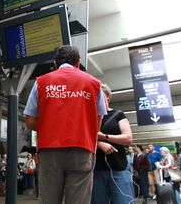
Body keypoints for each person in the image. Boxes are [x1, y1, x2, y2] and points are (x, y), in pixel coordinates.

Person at [24, 45, 107, 204]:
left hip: (49, 151)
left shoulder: (41, 82)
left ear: (55, 63)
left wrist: (50, 125)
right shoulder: (94, 84)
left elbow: (30, 121)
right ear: (78, 62)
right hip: (82, 149)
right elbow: (97, 123)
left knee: (49, 199)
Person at [91, 83, 134, 204]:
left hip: (118, 168)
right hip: (95, 170)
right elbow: (80, 140)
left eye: (99, 95)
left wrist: (105, 137)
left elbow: (128, 138)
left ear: (108, 97)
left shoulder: (117, 114)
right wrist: (99, 144)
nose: (96, 98)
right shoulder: (88, 117)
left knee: (124, 200)